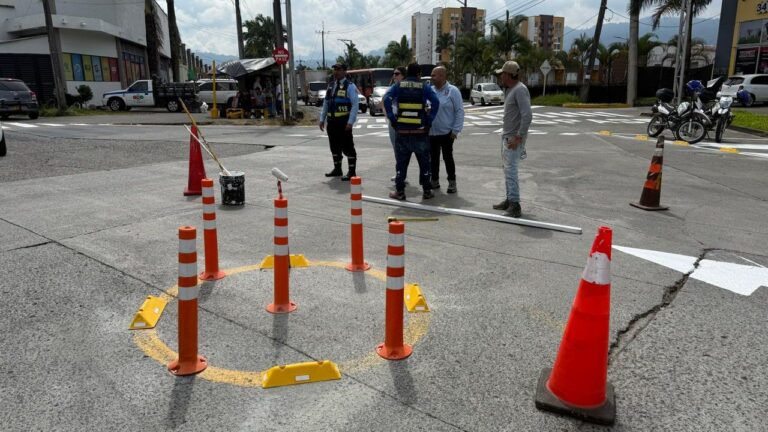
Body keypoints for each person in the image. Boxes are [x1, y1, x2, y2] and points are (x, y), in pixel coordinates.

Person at [383, 63, 440, 200]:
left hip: (402, 131)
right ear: (419, 74)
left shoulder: (398, 86)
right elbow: (436, 102)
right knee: (424, 162)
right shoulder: (424, 86)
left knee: (401, 163)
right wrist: (429, 120)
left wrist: (392, 119)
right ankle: (426, 191)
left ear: (407, 73)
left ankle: (400, 192)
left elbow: (386, 100)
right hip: (420, 132)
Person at [493, 60, 531, 218]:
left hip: (513, 138)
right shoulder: (511, 90)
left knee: (511, 171)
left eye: (502, 74)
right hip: (508, 136)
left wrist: (518, 137)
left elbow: (527, 115)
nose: (500, 76)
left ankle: (515, 205)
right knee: (507, 170)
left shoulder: (520, 90)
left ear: (509, 74)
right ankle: (510, 200)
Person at [319, 63, 360, 181]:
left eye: (339, 69)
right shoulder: (331, 86)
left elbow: (355, 105)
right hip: (332, 122)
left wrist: (350, 121)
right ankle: (337, 169)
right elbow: (326, 103)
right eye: (334, 69)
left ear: (345, 71)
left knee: (348, 147)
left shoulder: (350, 86)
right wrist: (322, 119)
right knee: (334, 147)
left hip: (343, 122)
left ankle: (352, 171)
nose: (336, 72)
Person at [428, 65, 464, 193]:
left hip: (447, 132)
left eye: (434, 75)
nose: (431, 78)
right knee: (433, 158)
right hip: (432, 132)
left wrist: (456, 130)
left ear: (442, 76)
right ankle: (435, 181)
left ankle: (452, 182)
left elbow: (460, 111)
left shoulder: (452, 91)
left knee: (448, 157)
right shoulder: (430, 90)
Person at [387, 66, 407, 183]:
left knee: (405, 150)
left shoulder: (407, 88)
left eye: (397, 74)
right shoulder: (393, 87)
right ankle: (400, 173)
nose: (394, 76)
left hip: (404, 122)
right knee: (396, 149)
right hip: (393, 122)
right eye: (393, 74)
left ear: (403, 75)